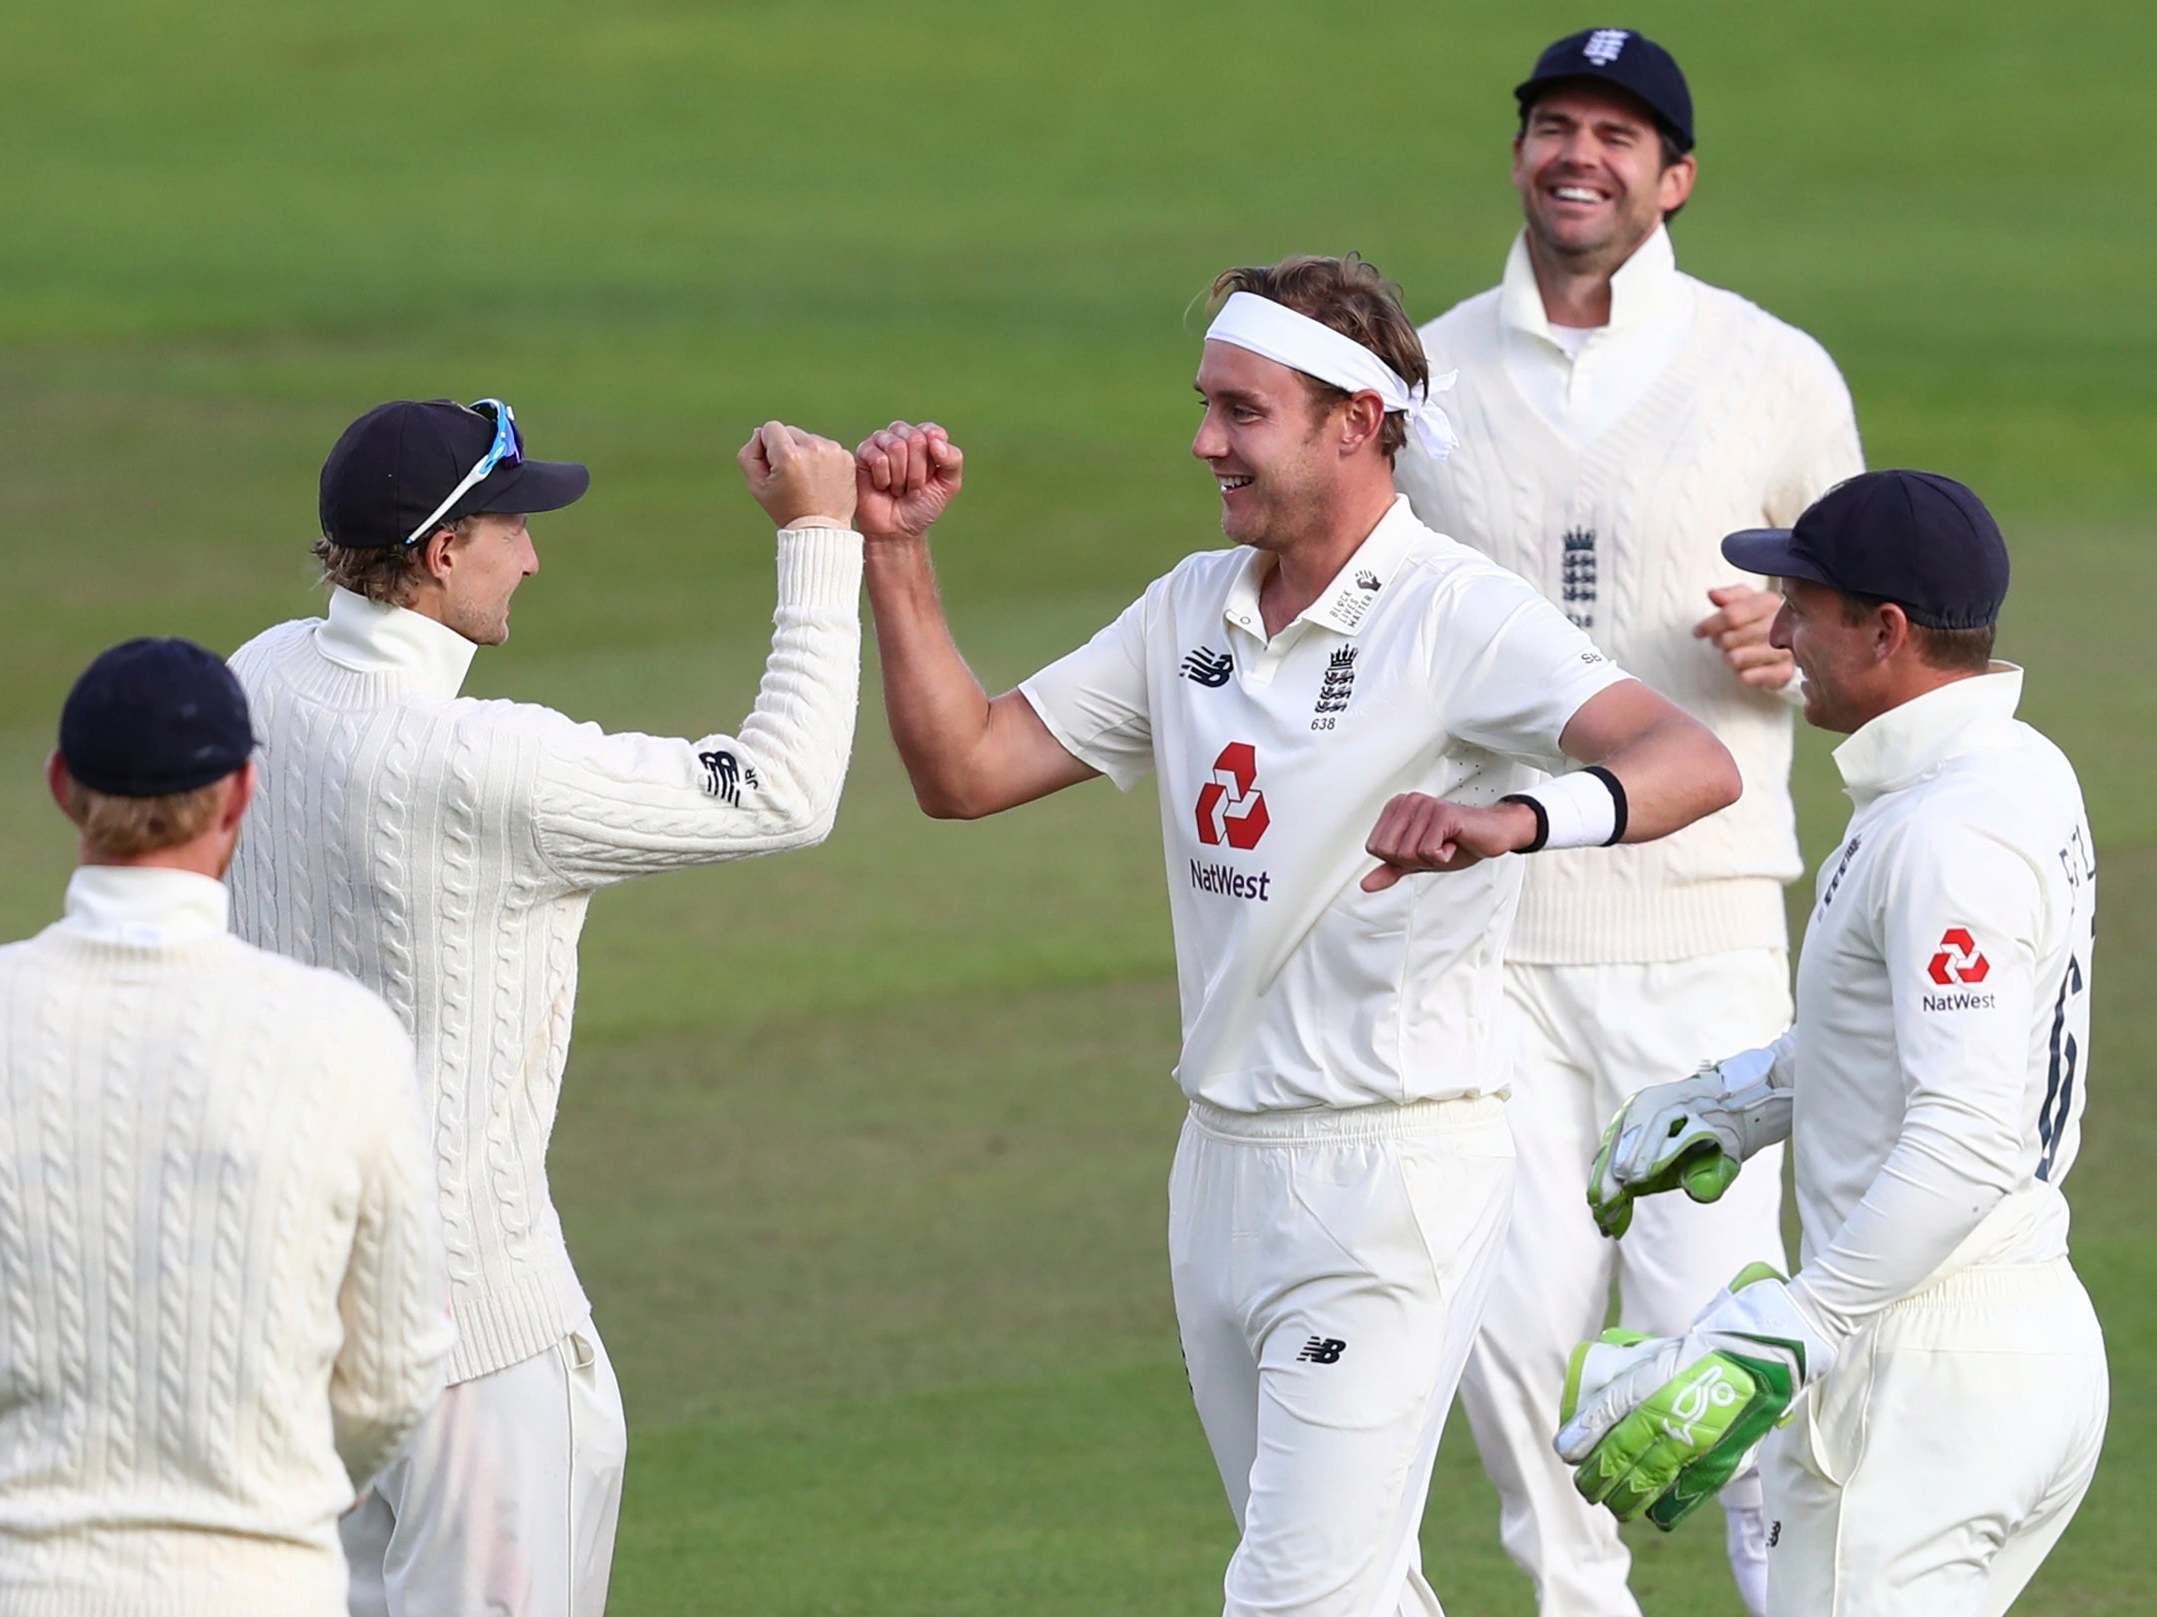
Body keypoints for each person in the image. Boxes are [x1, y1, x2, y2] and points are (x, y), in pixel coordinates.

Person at [852, 253, 1740, 1617]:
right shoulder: (1188, 607)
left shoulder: (1457, 612)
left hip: (1389, 1169)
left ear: (1354, 423)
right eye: (1205, 405)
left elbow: (1689, 759)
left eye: (1241, 411)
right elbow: (964, 769)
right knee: (1351, 1588)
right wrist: (897, 556)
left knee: (1292, 1596)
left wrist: (1512, 819)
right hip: (1220, 1164)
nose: (1204, 441)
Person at [226, 399, 867, 1616]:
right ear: (441, 552)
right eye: (511, 528)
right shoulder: (488, 765)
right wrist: (821, 538)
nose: (533, 556)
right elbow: (787, 792)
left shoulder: (256, 677)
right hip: (479, 1348)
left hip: (296, 1332)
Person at [1391, 28, 1864, 1615]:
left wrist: (1783, 647)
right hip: (1494, 931)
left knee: (1718, 1333)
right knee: (1513, 1328)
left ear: (1675, 179)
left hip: (1702, 923)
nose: (1576, 155)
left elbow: (1860, 629)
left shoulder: (1772, 370)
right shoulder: (1425, 378)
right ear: (1520, 154)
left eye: (1614, 134)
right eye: (1552, 125)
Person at [1557, 470, 2107, 1617]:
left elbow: (1967, 1137)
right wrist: (1744, 1099)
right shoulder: (2015, 768)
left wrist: (1793, 1327)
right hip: (2016, 1343)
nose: (1781, 635)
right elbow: (1916, 1041)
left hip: (1919, 1378)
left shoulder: (1948, 833)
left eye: (1802, 608)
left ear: (1886, 630)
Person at [0, 639, 450, 1616]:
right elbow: (393, 1375)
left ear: (64, 787)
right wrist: (285, 1485)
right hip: (265, 1581)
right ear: (241, 793)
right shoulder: (342, 1036)